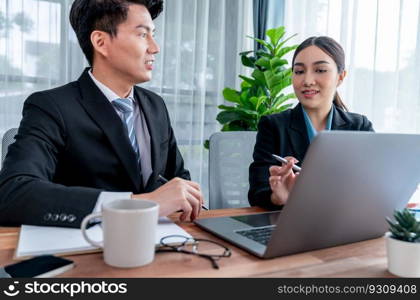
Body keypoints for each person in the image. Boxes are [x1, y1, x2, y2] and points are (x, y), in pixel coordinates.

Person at [0, 0, 204, 228]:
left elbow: (176, 177)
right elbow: (14, 194)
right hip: (87, 247)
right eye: (142, 35)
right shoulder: (51, 106)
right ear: (101, 42)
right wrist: (142, 204)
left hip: (162, 242)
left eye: (153, 34)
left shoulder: (155, 105)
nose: (154, 47)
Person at [248, 36, 374, 209]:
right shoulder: (273, 125)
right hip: (291, 226)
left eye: (320, 70)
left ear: (341, 77)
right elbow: (257, 192)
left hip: (346, 224)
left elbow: (375, 186)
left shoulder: (360, 127)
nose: (307, 81)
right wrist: (278, 197)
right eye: (299, 71)